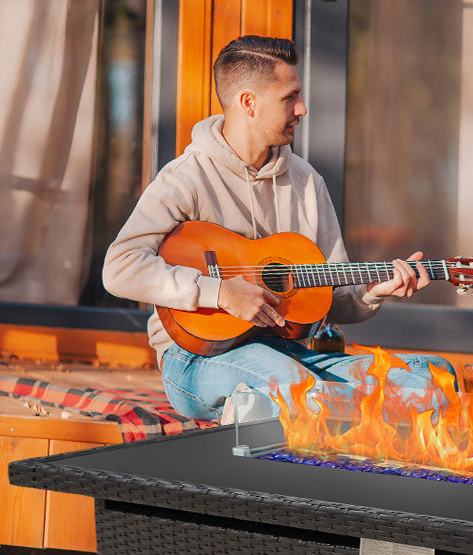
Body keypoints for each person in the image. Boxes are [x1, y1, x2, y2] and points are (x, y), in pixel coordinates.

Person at [103, 35, 452, 420]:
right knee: (301, 390)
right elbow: (120, 268)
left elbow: (328, 297)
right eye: (290, 97)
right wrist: (219, 292)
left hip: (289, 353)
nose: (301, 109)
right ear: (248, 103)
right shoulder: (185, 179)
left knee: (433, 377)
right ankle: (291, 410)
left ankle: (266, 412)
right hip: (198, 359)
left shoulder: (306, 182)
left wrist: (372, 291)